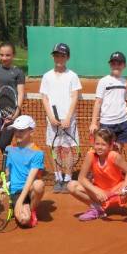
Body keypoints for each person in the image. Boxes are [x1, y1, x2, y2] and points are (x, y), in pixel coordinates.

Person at [67, 128, 127, 221]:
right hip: (100, 196)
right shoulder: (90, 155)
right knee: (72, 185)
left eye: (103, 144)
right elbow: (81, 178)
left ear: (111, 145)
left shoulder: (114, 156)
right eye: (97, 144)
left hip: (119, 194)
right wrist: (96, 191)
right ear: (93, 144)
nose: (99, 147)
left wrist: (124, 187)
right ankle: (96, 208)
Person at [40, 42, 82, 193]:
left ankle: (68, 179)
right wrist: (50, 116)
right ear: (53, 57)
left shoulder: (72, 76)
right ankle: (58, 178)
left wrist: (68, 118)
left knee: (67, 149)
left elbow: (75, 97)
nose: (59, 58)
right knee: (54, 149)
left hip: (68, 120)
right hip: (52, 121)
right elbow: (44, 98)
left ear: (67, 57)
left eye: (62, 55)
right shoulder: (47, 76)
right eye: (56, 55)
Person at [5, 115, 46, 228]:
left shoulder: (38, 153)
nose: (17, 133)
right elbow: (7, 171)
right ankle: (23, 208)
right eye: (16, 130)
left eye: (22, 130)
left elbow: (30, 179)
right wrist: (4, 184)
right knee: (24, 220)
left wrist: (19, 202)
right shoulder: (9, 149)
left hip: (29, 188)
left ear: (31, 132)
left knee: (39, 184)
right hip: (16, 190)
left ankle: (32, 209)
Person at [0, 42, 25, 154]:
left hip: (12, 110)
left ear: (13, 55)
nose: (4, 58)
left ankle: (14, 165)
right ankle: (6, 168)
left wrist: (17, 111)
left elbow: (21, 93)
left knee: (3, 142)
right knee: (2, 141)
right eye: (1, 55)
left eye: (7, 55)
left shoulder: (18, 72)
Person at [89, 52, 127, 152]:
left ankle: (115, 168)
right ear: (110, 65)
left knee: (118, 150)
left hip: (123, 122)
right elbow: (98, 102)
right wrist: (94, 123)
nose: (116, 66)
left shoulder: (124, 82)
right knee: (106, 151)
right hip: (107, 123)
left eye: (119, 63)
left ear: (124, 65)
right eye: (113, 63)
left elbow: (124, 100)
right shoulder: (103, 81)